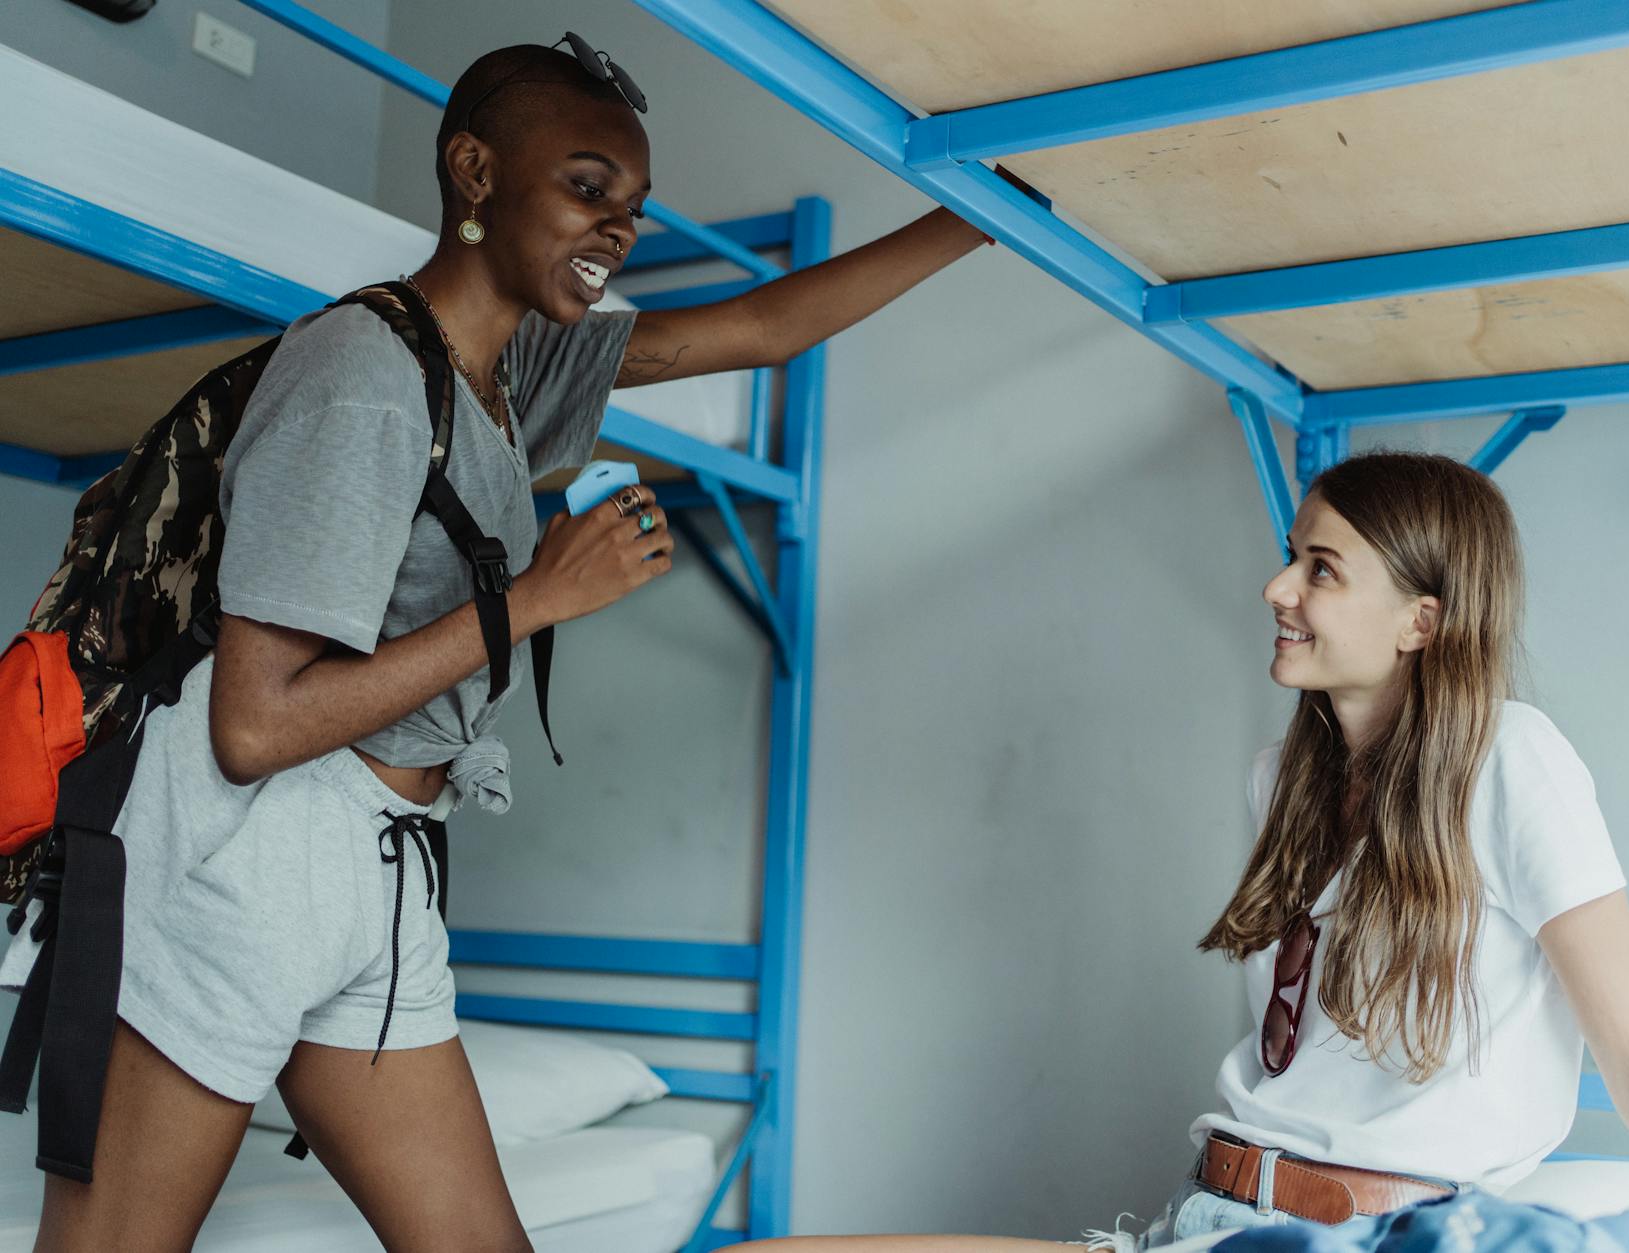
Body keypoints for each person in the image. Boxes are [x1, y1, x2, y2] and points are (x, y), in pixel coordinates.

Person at [3, 36, 991, 1252]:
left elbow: (757, 328)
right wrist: (532, 599)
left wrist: (981, 218)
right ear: (473, 171)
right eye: (587, 187)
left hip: (381, 857)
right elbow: (251, 725)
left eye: (631, 207)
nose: (617, 227)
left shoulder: (513, 368)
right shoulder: (361, 373)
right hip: (242, 853)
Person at [734, 453, 1629, 1253]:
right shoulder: (1281, 774)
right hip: (1205, 1215)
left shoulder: (1510, 759)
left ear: (1419, 620)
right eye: (1289, 553)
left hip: (1369, 1233)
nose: (1274, 586)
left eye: (1319, 566)